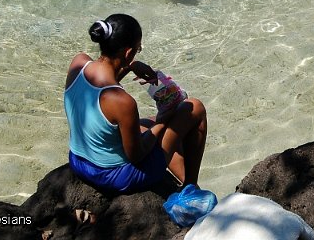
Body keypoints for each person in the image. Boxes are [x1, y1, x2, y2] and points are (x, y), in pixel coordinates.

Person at [64, 14, 208, 192]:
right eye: (137, 49)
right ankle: (190, 189)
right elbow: (137, 156)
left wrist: (130, 66)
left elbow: (100, 89)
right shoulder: (123, 102)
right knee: (194, 107)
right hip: (113, 176)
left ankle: (184, 178)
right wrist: (163, 119)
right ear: (127, 52)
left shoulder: (78, 63)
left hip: (78, 160)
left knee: (146, 124)